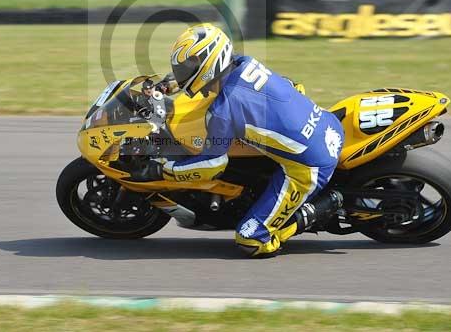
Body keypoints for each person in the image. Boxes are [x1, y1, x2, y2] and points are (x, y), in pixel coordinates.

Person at [126, 23, 344, 258]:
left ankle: (312, 212)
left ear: (209, 64)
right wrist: (168, 84)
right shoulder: (244, 63)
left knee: (250, 239)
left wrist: (161, 170)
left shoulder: (223, 111)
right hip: (326, 123)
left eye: (187, 66)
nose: (182, 72)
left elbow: (212, 166)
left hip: (308, 167)